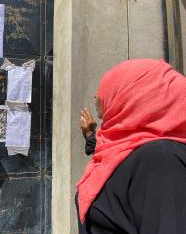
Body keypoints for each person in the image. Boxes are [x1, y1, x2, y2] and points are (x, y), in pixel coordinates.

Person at [76, 59, 186, 234]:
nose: (96, 95)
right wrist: (90, 136)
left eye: (108, 88)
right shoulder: (122, 147)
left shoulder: (161, 159)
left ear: (134, 97)